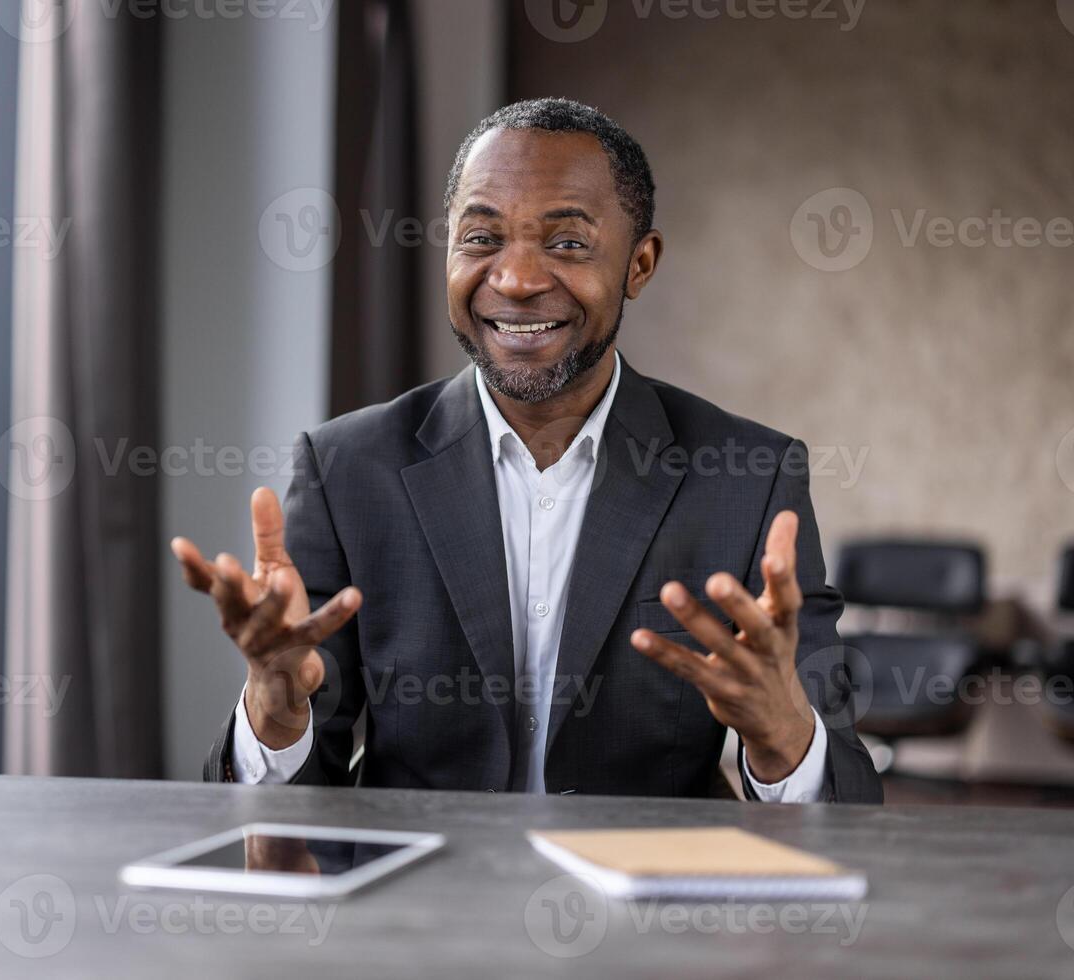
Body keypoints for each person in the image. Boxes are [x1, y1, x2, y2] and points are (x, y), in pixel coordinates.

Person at [172, 98, 881, 802]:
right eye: (481, 239)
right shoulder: (346, 471)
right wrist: (273, 710)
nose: (514, 280)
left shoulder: (747, 478)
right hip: (418, 902)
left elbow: (848, 807)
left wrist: (785, 736)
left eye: (567, 243)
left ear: (639, 264)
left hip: (649, 903)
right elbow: (278, 811)